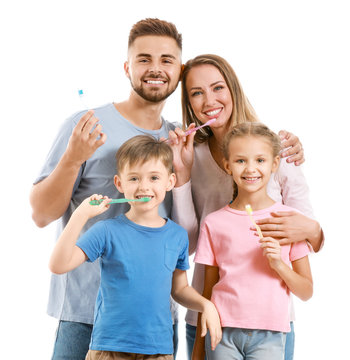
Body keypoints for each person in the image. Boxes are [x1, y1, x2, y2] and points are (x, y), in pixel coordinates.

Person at [30, 18, 184, 360]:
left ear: (179, 70)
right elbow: (41, 214)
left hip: (154, 322)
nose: (155, 68)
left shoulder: (179, 140)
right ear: (127, 67)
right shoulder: (85, 127)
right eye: (144, 59)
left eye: (166, 60)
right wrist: (73, 158)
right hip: (86, 317)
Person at [169, 54, 323, 360]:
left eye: (217, 88)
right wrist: (182, 176)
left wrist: (308, 232)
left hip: (271, 323)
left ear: (234, 89)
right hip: (209, 316)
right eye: (197, 93)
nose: (209, 100)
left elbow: (311, 235)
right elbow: (186, 244)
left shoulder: (275, 150)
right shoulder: (190, 153)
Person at [48, 135, 222, 360]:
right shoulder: (106, 231)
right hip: (108, 349)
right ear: (119, 183)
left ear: (169, 182)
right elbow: (58, 264)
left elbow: (179, 290)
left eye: (154, 178)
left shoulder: (177, 236)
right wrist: (80, 215)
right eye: (134, 178)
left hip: (158, 351)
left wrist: (205, 305)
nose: (144, 187)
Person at [192, 122, 313, 360]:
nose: (251, 169)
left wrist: (279, 265)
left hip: (270, 334)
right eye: (240, 161)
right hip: (221, 332)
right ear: (228, 166)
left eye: (260, 160)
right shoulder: (214, 223)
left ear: (274, 164)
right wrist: (197, 352)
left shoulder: (289, 221)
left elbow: (306, 291)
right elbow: (207, 291)